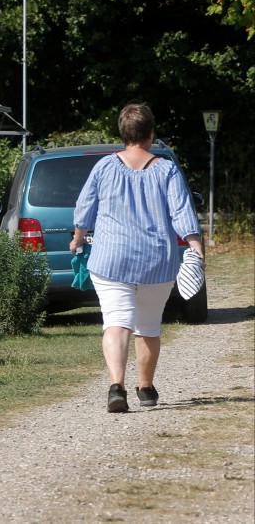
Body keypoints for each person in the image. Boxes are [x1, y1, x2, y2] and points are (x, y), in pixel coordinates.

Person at [70, 104, 204, 413]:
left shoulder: (104, 167)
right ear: (151, 134)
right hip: (156, 259)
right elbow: (181, 210)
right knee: (148, 326)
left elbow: (84, 208)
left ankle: (116, 386)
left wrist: (78, 239)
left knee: (116, 322)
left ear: (123, 133)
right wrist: (194, 243)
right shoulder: (166, 168)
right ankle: (145, 388)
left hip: (111, 259)